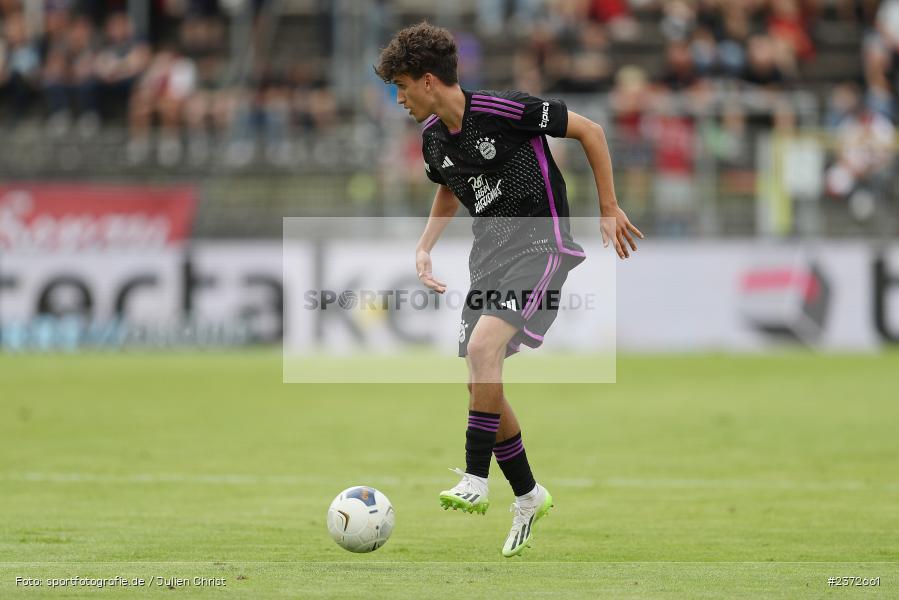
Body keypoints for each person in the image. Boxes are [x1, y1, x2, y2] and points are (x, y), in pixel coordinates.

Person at [374, 22, 642, 557]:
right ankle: (528, 493)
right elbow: (451, 189)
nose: (399, 99)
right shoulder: (432, 139)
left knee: (481, 349)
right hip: (489, 261)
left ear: (428, 81)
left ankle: (476, 479)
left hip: (542, 247)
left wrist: (608, 206)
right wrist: (426, 245)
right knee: (482, 382)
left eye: (402, 86)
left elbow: (590, 130)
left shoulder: (504, 110)